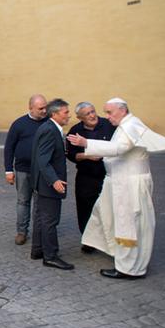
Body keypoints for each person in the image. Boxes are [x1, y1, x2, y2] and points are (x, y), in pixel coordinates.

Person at [67, 98, 165, 279]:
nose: (106, 117)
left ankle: (128, 269)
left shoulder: (129, 126)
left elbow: (119, 148)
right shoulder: (126, 124)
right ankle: (118, 255)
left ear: (122, 110)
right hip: (119, 182)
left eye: (110, 112)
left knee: (129, 226)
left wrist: (87, 143)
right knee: (103, 213)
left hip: (128, 185)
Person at [66, 102, 116, 253]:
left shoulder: (109, 125)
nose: (92, 115)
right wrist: (86, 156)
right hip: (86, 176)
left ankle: (111, 241)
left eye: (93, 111)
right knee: (85, 209)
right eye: (87, 114)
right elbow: (71, 154)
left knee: (110, 207)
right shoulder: (75, 131)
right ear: (79, 117)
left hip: (109, 174)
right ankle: (88, 241)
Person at [30, 98, 74, 270]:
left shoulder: (49, 128)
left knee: (42, 218)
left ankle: (38, 250)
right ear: (55, 114)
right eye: (66, 112)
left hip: (43, 183)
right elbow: (43, 160)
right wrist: (54, 180)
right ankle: (50, 256)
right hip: (48, 184)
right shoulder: (50, 130)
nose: (69, 116)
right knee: (50, 220)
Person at [3, 94, 48, 245]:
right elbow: (9, 148)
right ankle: (22, 232)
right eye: (40, 108)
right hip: (23, 170)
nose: (44, 111)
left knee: (40, 203)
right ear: (31, 108)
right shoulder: (19, 124)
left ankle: (39, 232)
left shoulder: (49, 123)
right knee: (23, 201)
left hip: (43, 171)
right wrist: (8, 170)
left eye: (45, 107)